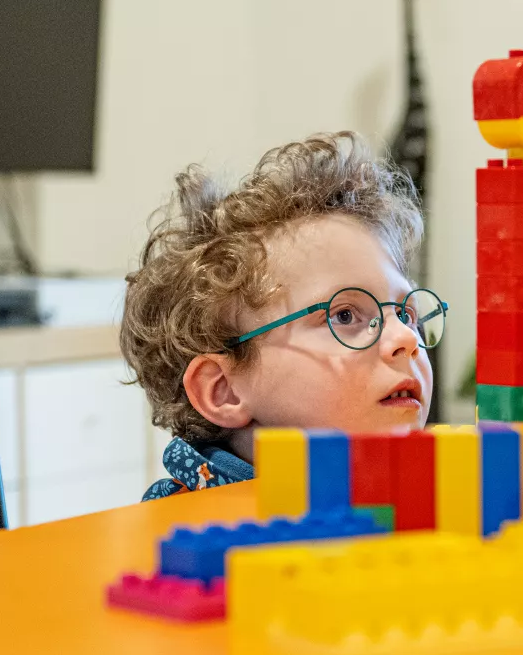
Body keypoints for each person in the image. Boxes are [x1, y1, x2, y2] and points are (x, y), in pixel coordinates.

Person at [121, 132, 446, 500]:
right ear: (223, 390)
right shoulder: (203, 537)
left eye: (405, 313)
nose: (405, 339)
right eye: (343, 315)